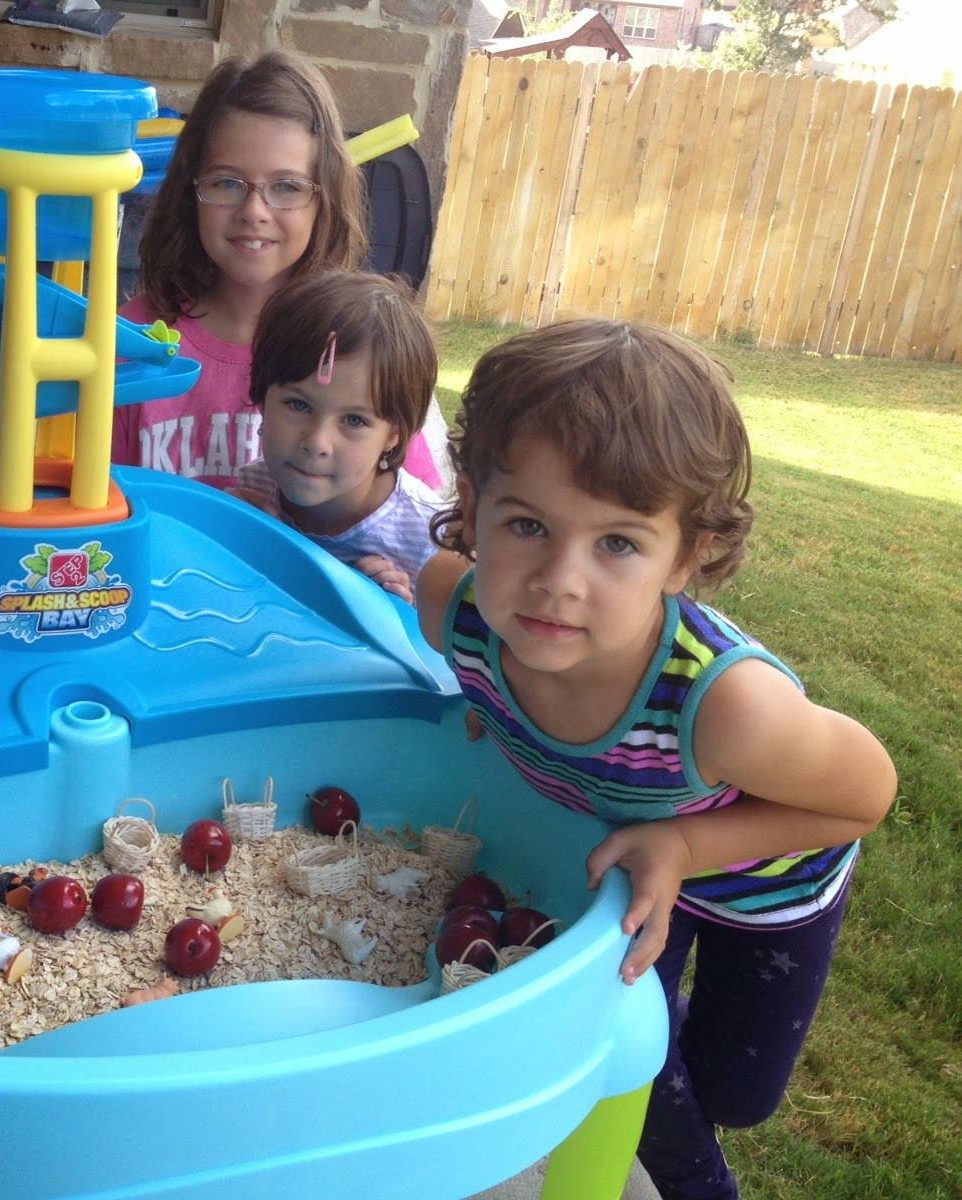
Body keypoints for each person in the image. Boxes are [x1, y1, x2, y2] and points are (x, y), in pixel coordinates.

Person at [414, 318, 896, 1200]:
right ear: (473, 504)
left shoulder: (729, 711)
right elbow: (467, 651)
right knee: (649, 1089)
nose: (559, 578)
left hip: (767, 880)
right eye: (526, 523)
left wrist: (682, 847)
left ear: (689, 557)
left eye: (618, 543)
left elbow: (867, 795)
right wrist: (492, 706)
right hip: (628, 881)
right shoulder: (454, 606)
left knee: (737, 1097)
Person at [112, 50, 446, 493]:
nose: (254, 211)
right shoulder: (129, 344)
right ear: (190, 192)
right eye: (227, 182)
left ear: (323, 198)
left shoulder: (362, 350)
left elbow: (419, 525)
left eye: (286, 186)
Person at [232, 270, 444, 602]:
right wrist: (229, 542)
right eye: (298, 404)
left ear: (395, 434)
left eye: (354, 420)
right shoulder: (254, 492)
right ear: (262, 398)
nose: (316, 442)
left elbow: (455, 650)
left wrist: (402, 618)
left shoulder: (430, 540)